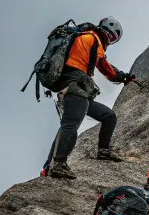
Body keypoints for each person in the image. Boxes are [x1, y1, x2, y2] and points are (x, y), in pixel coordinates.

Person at [43, 16, 136, 180]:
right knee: (70, 126)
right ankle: (58, 165)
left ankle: (103, 151)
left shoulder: (85, 38)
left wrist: (122, 76)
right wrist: (123, 77)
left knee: (108, 116)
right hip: (75, 88)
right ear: (112, 36)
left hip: (77, 90)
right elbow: (106, 68)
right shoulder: (93, 39)